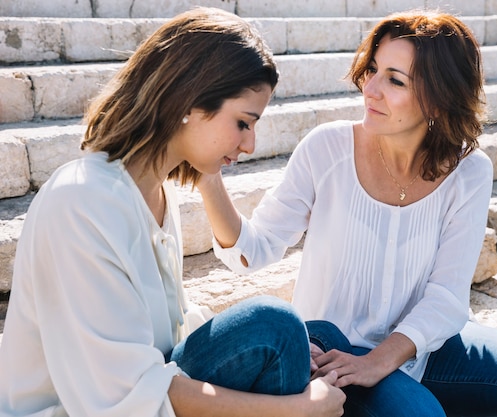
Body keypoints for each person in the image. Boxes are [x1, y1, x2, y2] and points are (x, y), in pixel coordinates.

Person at [198, 9, 497, 417]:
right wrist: (209, 178)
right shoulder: (327, 149)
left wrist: (381, 359)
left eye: (394, 80)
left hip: (427, 346)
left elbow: (447, 297)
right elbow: (253, 251)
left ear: (439, 101)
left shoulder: (470, 170)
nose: (370, 89)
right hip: (334, 349)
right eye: (373, 69)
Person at [0, 7, 346, 417]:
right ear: (190, 102)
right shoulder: (82, 202)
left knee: (309, 336)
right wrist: (299, 408)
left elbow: (172, 328)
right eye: (243, 122)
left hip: (147, 387)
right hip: (82, 409)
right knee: (275, 324)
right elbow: (125, 396)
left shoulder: (156, 191)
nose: (250, 144)